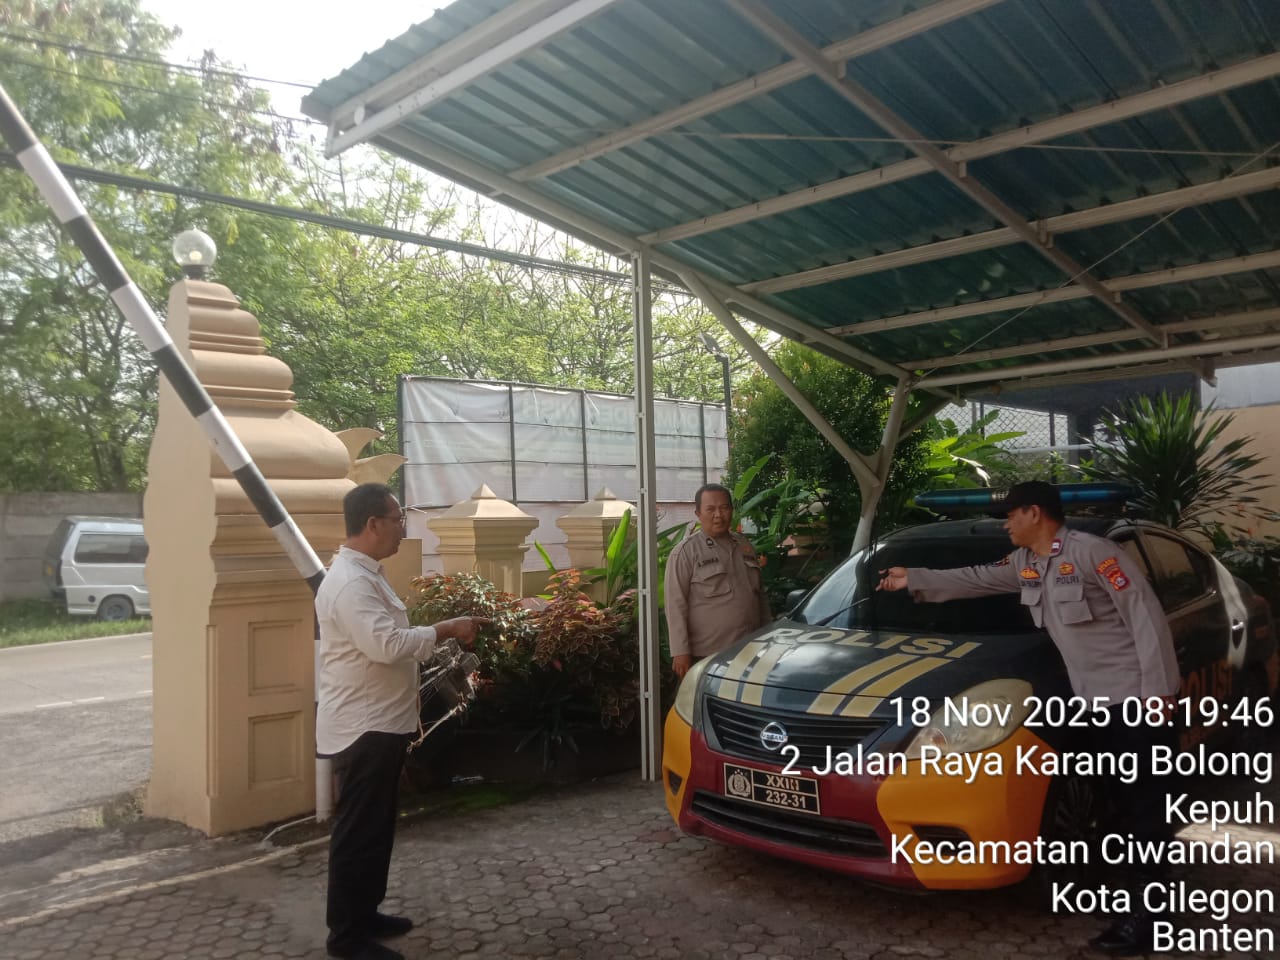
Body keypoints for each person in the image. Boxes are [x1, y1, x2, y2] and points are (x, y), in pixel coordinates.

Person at [876, 480, 1179, 957]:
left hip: (1134, 702)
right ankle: (1133, 901)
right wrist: (911, 578)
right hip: (1092, 703)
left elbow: (1145, 614)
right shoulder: (1027, 563)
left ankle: (1152, 917)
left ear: (1034, 513)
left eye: (1011, 515)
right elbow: (975, 577)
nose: (1006, 524)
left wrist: (1159, 691)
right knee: (1116, 806)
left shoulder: (1095, 554)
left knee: (1144, 811)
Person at [316, 483, 485, 960]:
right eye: (397, 519)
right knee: (358, 831)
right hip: (363, 727)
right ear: (373, 524)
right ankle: (346, 937)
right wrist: (446, 628)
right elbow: (386, 645)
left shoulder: (366, 574)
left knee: (376, 827)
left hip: (381, 722)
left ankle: (365, 914)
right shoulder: (351, 583)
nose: (402, 528)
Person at [665, 483, 771, 679]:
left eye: (724, 508)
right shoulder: (685, 552)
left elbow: (759, 596)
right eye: (710, 509)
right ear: (698, 513)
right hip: (707, 654)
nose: (718, 515)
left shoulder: (744, 545)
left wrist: (767, 634)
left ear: (731, 510)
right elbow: (675, 605)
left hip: (749, 649)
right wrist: (680, 651)